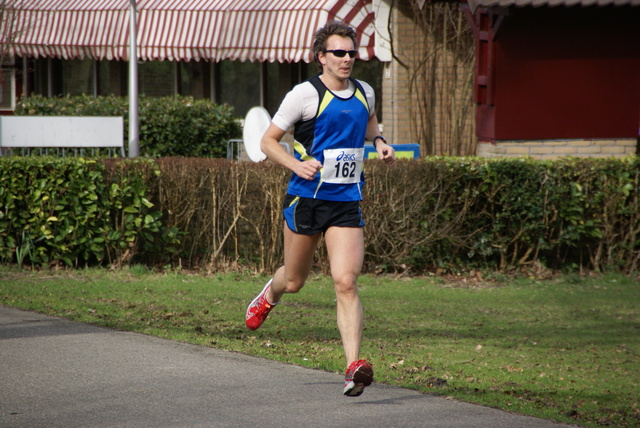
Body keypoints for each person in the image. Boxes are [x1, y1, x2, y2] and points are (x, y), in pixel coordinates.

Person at [245, 20, 396, 397]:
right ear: (321, 58)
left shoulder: (365, 92)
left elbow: (369, 122)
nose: (347, 59)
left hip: (346, 201)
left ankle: (353, 368)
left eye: (352, 53)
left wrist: (379, 142)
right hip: (306, 200)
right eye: (339, 53)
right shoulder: (304, 95)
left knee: (346, 281)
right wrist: (296, 165)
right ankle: (270, 295)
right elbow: (268, 142)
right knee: (294, 281)